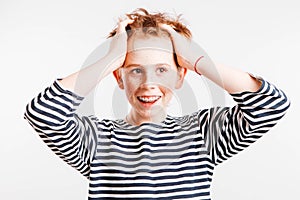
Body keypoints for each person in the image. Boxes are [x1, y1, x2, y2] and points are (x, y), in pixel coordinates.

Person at [24, 8, 290, 200]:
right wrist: (110, 58)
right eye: (135, 70)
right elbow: (42, 114)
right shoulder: (98, 140)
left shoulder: (202, 134)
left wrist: (199, 60)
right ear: (119, 77)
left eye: (162, 70)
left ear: (180, 75)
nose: (148, 82)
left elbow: (271, 105)